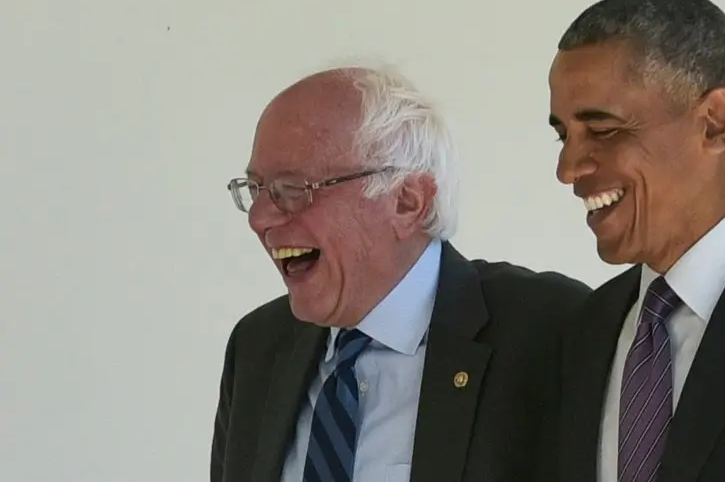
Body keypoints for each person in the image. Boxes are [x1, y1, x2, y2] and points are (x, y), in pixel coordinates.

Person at [210, 64, 590, 482]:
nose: (260, 218)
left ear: (408, 202)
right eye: (256, 189)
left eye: (293, 190)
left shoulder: (548, 329)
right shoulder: (258, 346)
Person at [547, 0, 725, 482]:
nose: (567, 168)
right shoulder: (580, 333)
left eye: (602, 131)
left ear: (716, 124)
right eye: (563, 135)